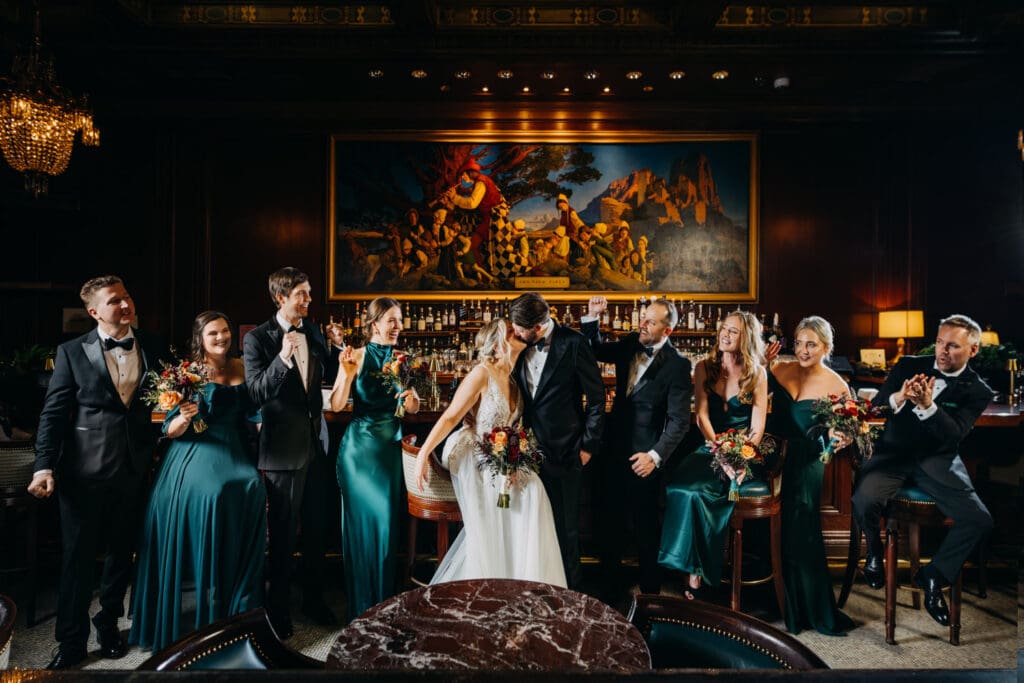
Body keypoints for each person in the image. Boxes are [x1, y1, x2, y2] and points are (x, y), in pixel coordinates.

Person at [29, 275, 161, 669]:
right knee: (78, 560)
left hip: (135, 468)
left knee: (122, 555)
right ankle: (70, 642)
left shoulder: (153, 344)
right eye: (114, 301)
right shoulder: (72, 351)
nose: (125, 305)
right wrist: (43, 466)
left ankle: (108, 628)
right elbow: (53, 414)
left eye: (127, 296)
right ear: (93, 311)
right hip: (83, 473)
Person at [130, 311, 266, 652]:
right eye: (212, 334)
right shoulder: (186, 372)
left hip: (232, 446)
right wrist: (184, 418)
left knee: (251, 484)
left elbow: (254, 411)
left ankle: (239, 606)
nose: (221, 338)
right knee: (216, 491)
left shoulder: (242, 366)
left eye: (224, 331)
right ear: (200, 339)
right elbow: (169, 429)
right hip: (194, 449)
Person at [851, 314, 993, 628]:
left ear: (972, 351)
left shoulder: (977, 390)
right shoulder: (907, 364)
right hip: (894, 454)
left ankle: (932, 576)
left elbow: (953, 434)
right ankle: (874, 552)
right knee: (863, 500)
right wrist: (899, 397)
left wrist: (930, 406)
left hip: (937, 462)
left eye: (953, 346)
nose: (943, 350)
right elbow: (877, 407)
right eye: (940, 342)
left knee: (980, 520)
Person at [412, 319, 566, 587]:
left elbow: (513, 430)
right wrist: (424, 453)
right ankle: (490, 578)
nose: (518, 332)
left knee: (533, 490)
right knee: (515, 493)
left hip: (501, 450)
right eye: (511, 331)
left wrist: (514, 463)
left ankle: (522, 581)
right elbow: (450, 417)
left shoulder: (515, 382)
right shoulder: (482, 373)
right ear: (497, 342)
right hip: (471, 449)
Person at [243, 267, 334, 638]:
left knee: (316, 530)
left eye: (309, 293)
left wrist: (335, 347)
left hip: (317, 442)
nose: (309, 300)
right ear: (281, 297)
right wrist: (281, 360)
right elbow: (256, 393)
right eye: (302, 294)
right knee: (282, 536)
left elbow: (320, 377)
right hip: (281, 450)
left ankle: (314, 600)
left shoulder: (311, 329)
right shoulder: (256, 340)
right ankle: (277, 611)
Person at [582, 296, 692, 596]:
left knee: (646, 526)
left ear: (666, 331)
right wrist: (593, 317)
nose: (642, 323)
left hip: (645, 458)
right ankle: (609, 591)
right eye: (643, 317)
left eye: (651, 321)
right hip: (612, 449)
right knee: (609, 520)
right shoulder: (631, 342)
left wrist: (655, 456)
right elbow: (594, 350)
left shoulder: (679, 365)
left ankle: (651, 596)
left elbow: (680, 421)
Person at [658, 310, 769, 600]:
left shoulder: (757, 374)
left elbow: (757, 428)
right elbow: (702, 417)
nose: (725, 334)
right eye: (724, 329)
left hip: (743, 453)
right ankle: (692, 568)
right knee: (680, 488)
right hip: (709, 448)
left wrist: (739, 456)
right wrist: (718, 449)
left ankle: (697, 577)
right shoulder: (705, 367)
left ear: (746, 338)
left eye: (733, 331)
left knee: (700, 494)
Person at [329, 297, 420, 622]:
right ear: (374, 324)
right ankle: (362, 609)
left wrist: (411, 400)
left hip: (390, 451)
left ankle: (382, 609)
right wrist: (346, 372)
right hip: (360, 452)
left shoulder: (402, 359)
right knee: (363, 529)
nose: (398, 326)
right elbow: (338, 405)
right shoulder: (358, 356)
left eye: (400, 320)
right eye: (392, 320)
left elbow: (412, 407)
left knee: (385, 529)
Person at [509, 292, 605, 589]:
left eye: (519, 328)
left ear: (538, 327)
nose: (514, 332)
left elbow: (597, 398)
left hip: (566, 453)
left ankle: (571, 596)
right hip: (526, 453)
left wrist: (588, 446)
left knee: (566, 531)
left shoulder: (573, 343)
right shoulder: (517, 345)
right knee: (530, 527)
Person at [767, 316, 855, 635]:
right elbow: (746, 395)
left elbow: (847, 430)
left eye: (811, 345)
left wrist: (843, 437)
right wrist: (759, 367)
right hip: (773, 455)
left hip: (808, 460)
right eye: (799, 343)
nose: (803, 350)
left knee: (802, 519)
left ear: (826, 348)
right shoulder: (778, 369)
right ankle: (774, 598)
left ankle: (807, 607)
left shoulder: (837, 384)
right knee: (772, 525)